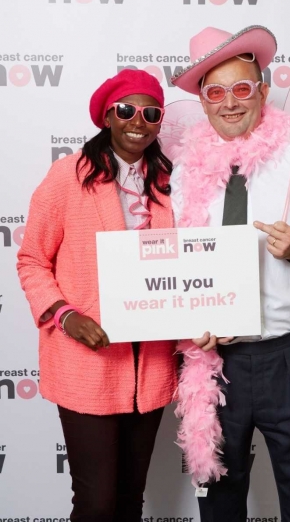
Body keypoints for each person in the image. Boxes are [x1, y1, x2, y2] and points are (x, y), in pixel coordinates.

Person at [170, 26, 290, 522]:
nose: (229, 103)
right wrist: (189, 322)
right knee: (220, 507)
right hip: (214, 365)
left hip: (288, 360)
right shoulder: (184, 172)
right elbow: (177, 265)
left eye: (241, 88)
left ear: (263, 92)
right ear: (203, 103)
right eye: (216, 92)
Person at [17, 69, 178, 522]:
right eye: (126, 110)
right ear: (107, 116)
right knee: (97, 502)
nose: (138, 121)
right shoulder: (68, 175)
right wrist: (66, 315)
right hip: (87, 363)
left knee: (130, 499)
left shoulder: (170, 181)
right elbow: (31, 260)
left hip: (152, 365)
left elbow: (188, 268)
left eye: (151, 113)